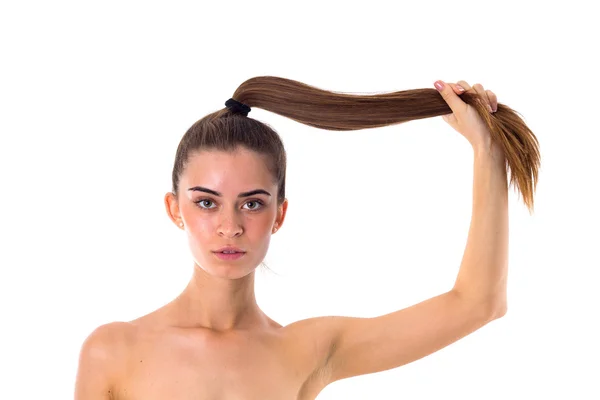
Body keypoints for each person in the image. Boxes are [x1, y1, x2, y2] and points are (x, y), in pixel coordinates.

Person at [74, 77, 530, 399]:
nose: (229, 226)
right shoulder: (113, 350)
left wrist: (486, 152)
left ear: (279, 214)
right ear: (175, 209)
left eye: (252, 203)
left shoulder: (307, 350)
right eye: (206, 202)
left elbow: (479, 303)